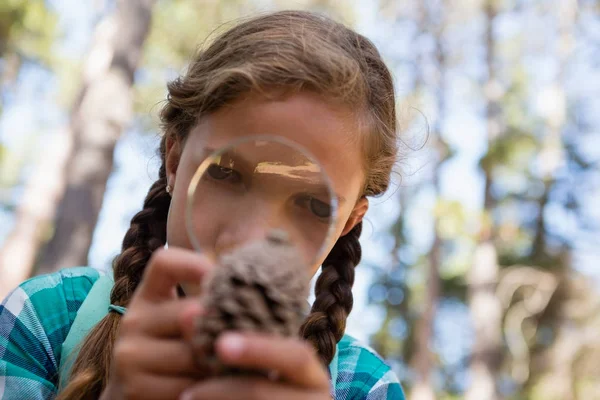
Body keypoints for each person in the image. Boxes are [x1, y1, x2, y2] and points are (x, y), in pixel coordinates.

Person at [0, 10, 404, 400]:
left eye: (314, 205)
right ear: (174, 160)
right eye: (226, 173)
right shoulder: (43, 320)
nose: (250, 239)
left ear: (348, 223)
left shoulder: (364, 389)